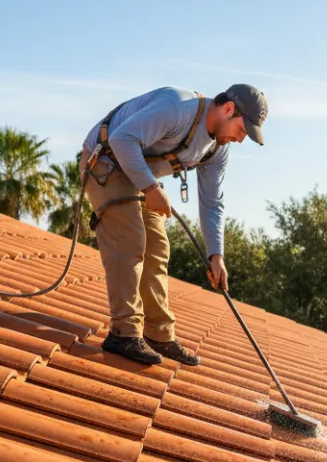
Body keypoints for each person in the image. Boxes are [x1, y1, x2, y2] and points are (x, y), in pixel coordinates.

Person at [79, 84, 268, 366]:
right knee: (130, 240)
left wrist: (216, 255)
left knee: (157, 248)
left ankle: (159, 334)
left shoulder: (217, 148)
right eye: (243, 130)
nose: (241, 140)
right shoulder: (176, 107)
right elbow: (122, 140)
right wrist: (152, 187)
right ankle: (124, 333)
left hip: (140, 178)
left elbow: (212, 202)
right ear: (229, 109)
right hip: (105, 163)